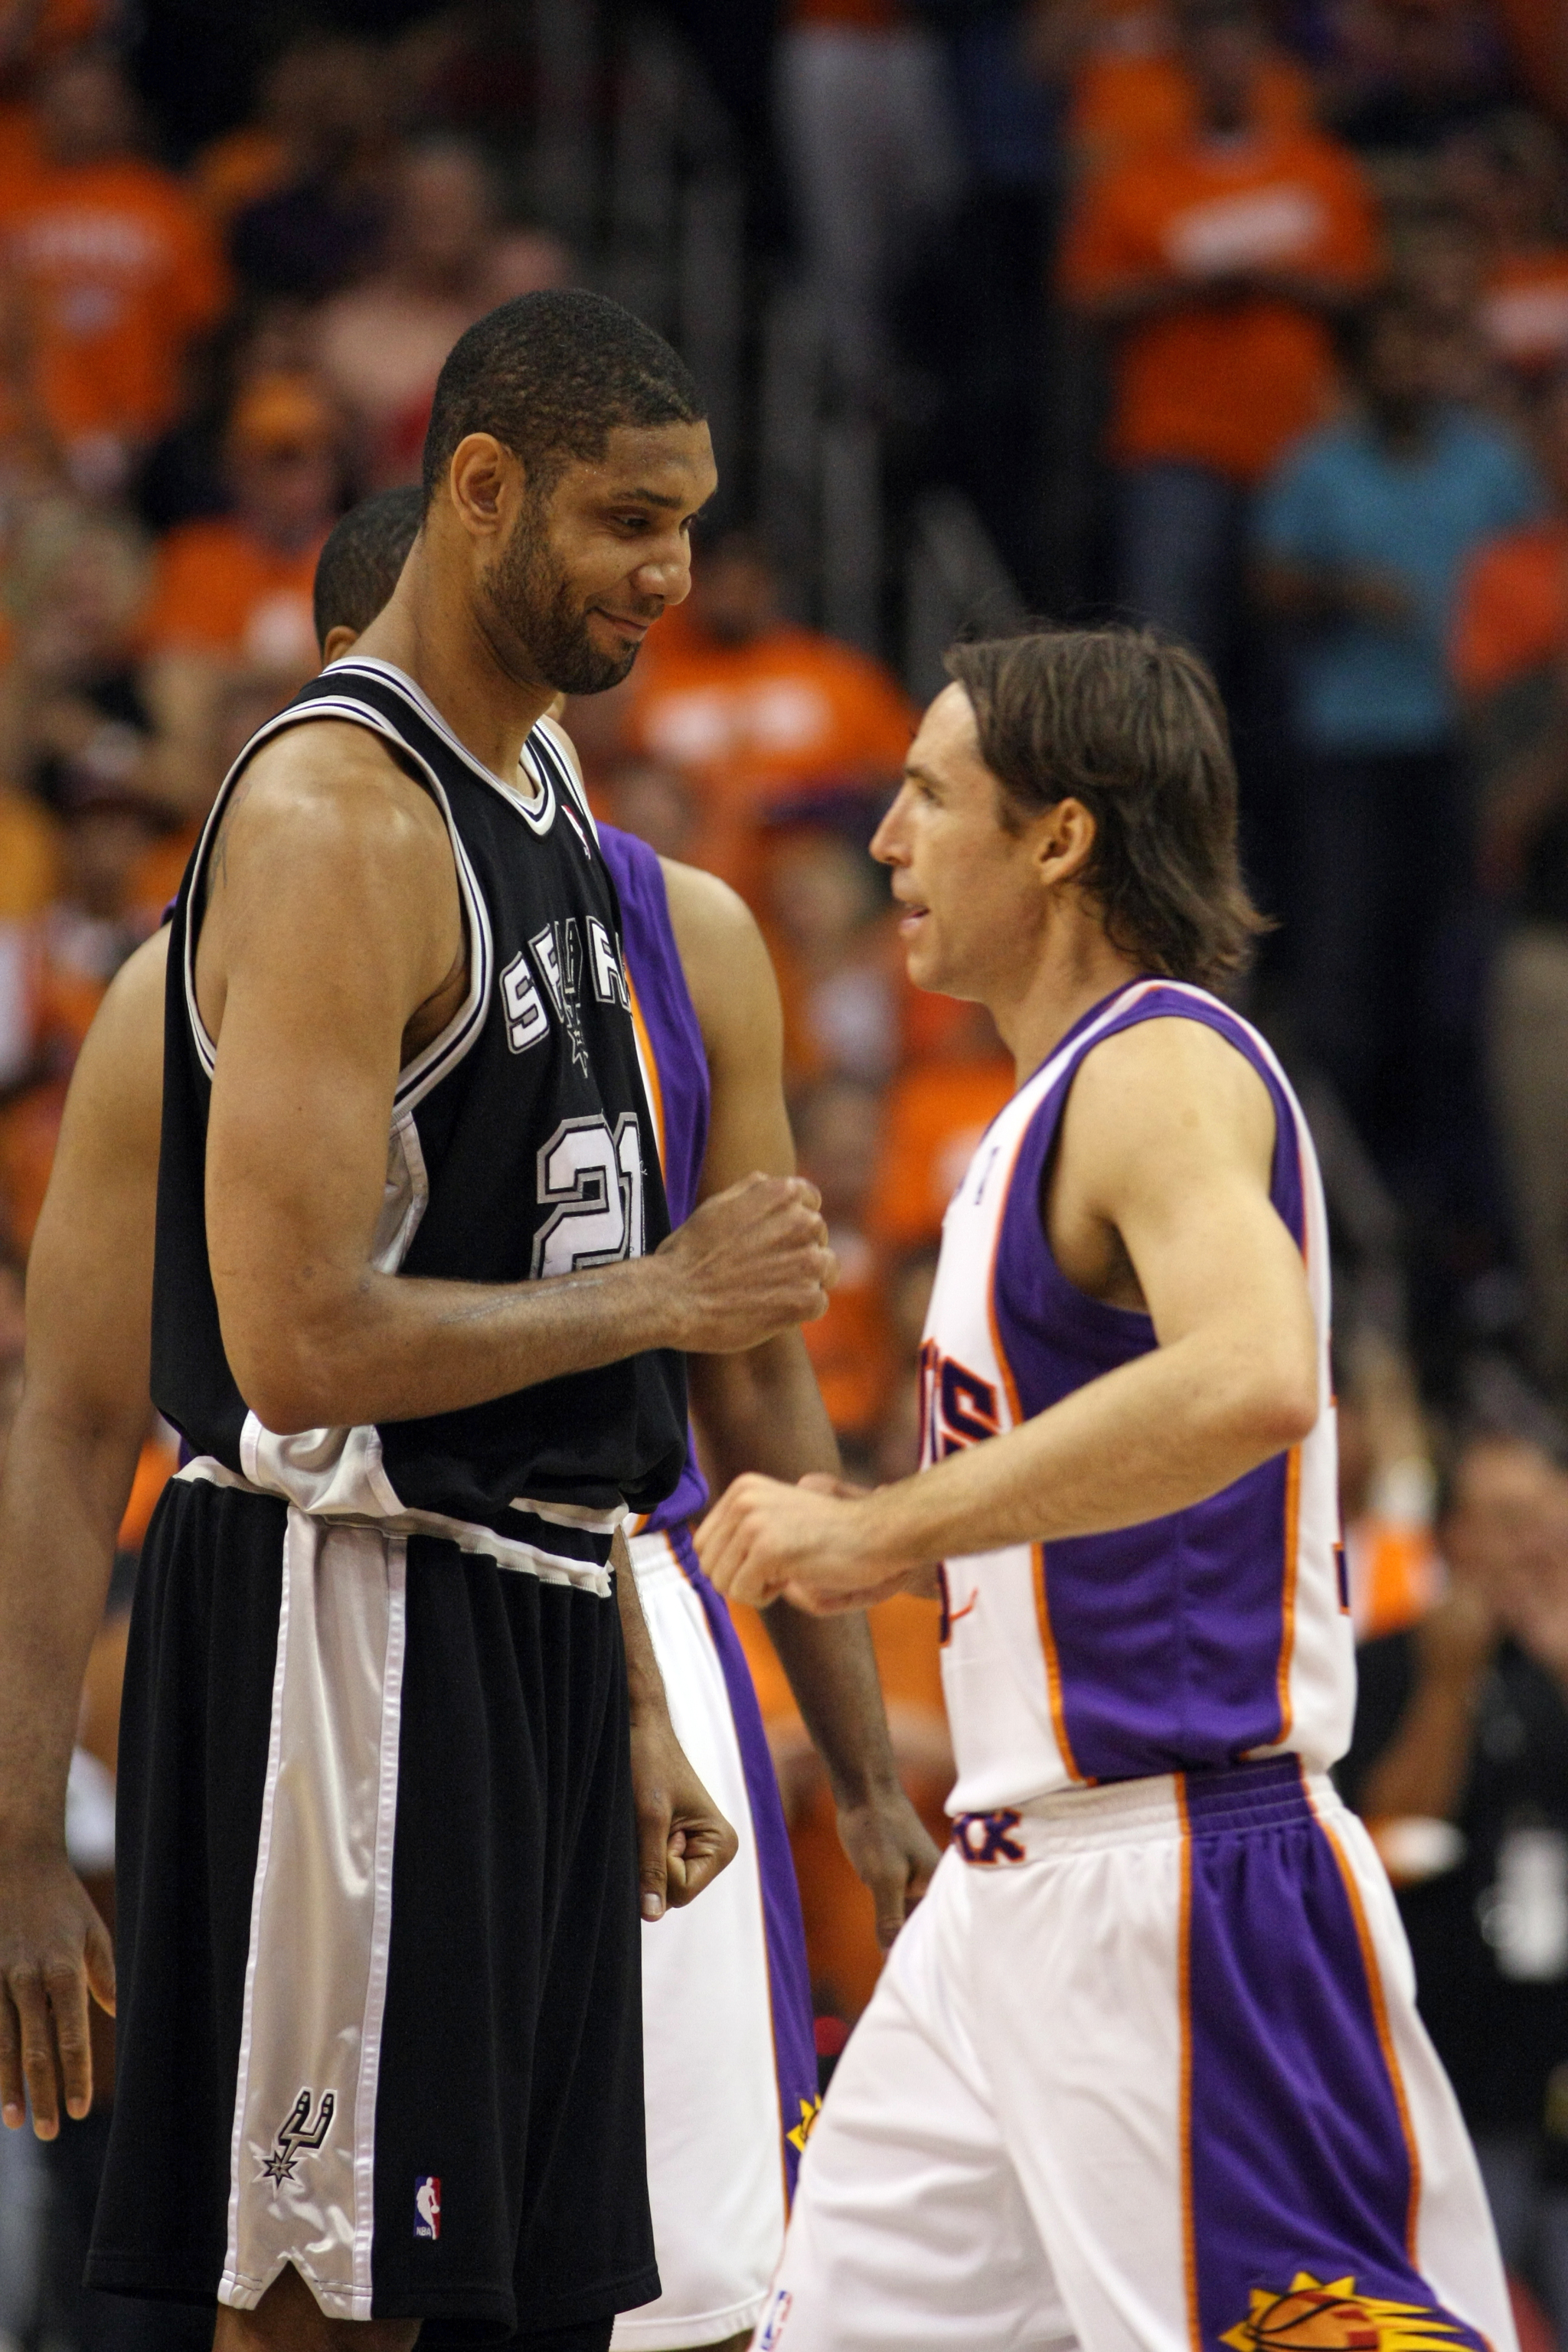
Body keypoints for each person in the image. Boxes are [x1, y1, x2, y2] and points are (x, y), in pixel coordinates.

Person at [0, 289, 841, 2352]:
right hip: (344, 1621)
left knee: (537, 2306)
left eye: (692, 527)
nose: (676, 575)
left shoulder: (552, 827)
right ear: (483, 494)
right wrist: (21, 1826)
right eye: (633, 523)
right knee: (330, 2307)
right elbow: (288, 1354)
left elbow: (558, 1348)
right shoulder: (330, 821)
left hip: (533, 1614)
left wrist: (634, 1693)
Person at [697, 626, 1514, 2352]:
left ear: (1058, 837)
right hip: (1001, 1903)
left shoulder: (1161, 1069)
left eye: (928, 797)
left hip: (1180, 1882)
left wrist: (876, 1526)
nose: (885, 843)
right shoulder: (1036, 1109)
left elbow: (1250, 1379)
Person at [1256, 295, 1541, 1201]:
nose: (1410, 367)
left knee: (1454, 977)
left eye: (1424, 345)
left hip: (1464, 750)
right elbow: (1268, 584)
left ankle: (1447, 1189)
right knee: (1348, 970)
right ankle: (1348, 1178)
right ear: (1356, 367)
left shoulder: (1491, 465)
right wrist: (1342, 589)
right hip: (1351, 749)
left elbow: (1536, 567)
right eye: (1391, 349)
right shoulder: (1316, 468)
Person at [1059, 0, 1380, 671]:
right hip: (1174, 445)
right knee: (1167, 652)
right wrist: (1190, 287)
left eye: (1240, 52)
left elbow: (1357, 288)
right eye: (1211, 54)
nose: (1227, 70)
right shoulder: (1141, 180)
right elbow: (1089, 299)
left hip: (1298, 446)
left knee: (1301, 660)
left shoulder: (1316, 169)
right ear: (1188, 68)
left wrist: (1271, 279)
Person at [1340, 1434, 1568, 2335]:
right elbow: (1386, 1838)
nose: (1530, 1545)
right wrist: (1448, 1681)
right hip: (1449, 2069)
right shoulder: (1389, 1661)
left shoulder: (1556, 1656)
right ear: (1452, 1536)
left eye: (1544, 1520)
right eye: (1506, 1523)